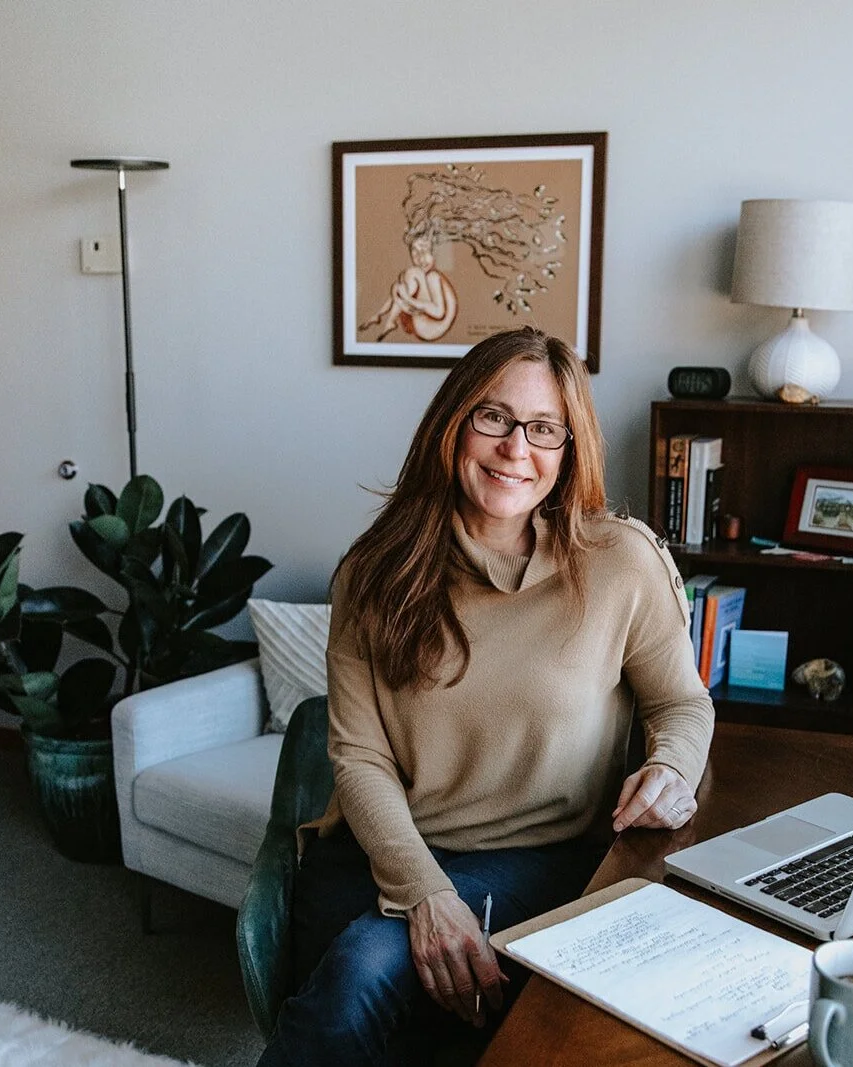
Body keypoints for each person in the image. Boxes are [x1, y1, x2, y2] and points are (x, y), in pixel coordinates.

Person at [257, 327, 714, 1067]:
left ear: (569, 449)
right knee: (358, 974)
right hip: (388, 851)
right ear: (452, 423)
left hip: (542, 859)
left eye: (543, 428)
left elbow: (680, 704)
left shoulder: (621, 562)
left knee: (378, 978)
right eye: (492, 417)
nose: (514, 448)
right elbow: (359, 755)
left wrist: (672, 770)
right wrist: (427, 893)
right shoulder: (373, 573)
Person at [359, 236, 458, 342]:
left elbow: (438, 313)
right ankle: (386, 319)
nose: (420, 259)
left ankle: (386, 319)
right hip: (423, 323)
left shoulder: (433, 276)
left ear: (435, 253)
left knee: (412, 274)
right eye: (415, 253)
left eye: (425, 252)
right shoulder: (426, 276)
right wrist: (399, 296)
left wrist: (406, 298)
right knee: (406, 279)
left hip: (431, 326)